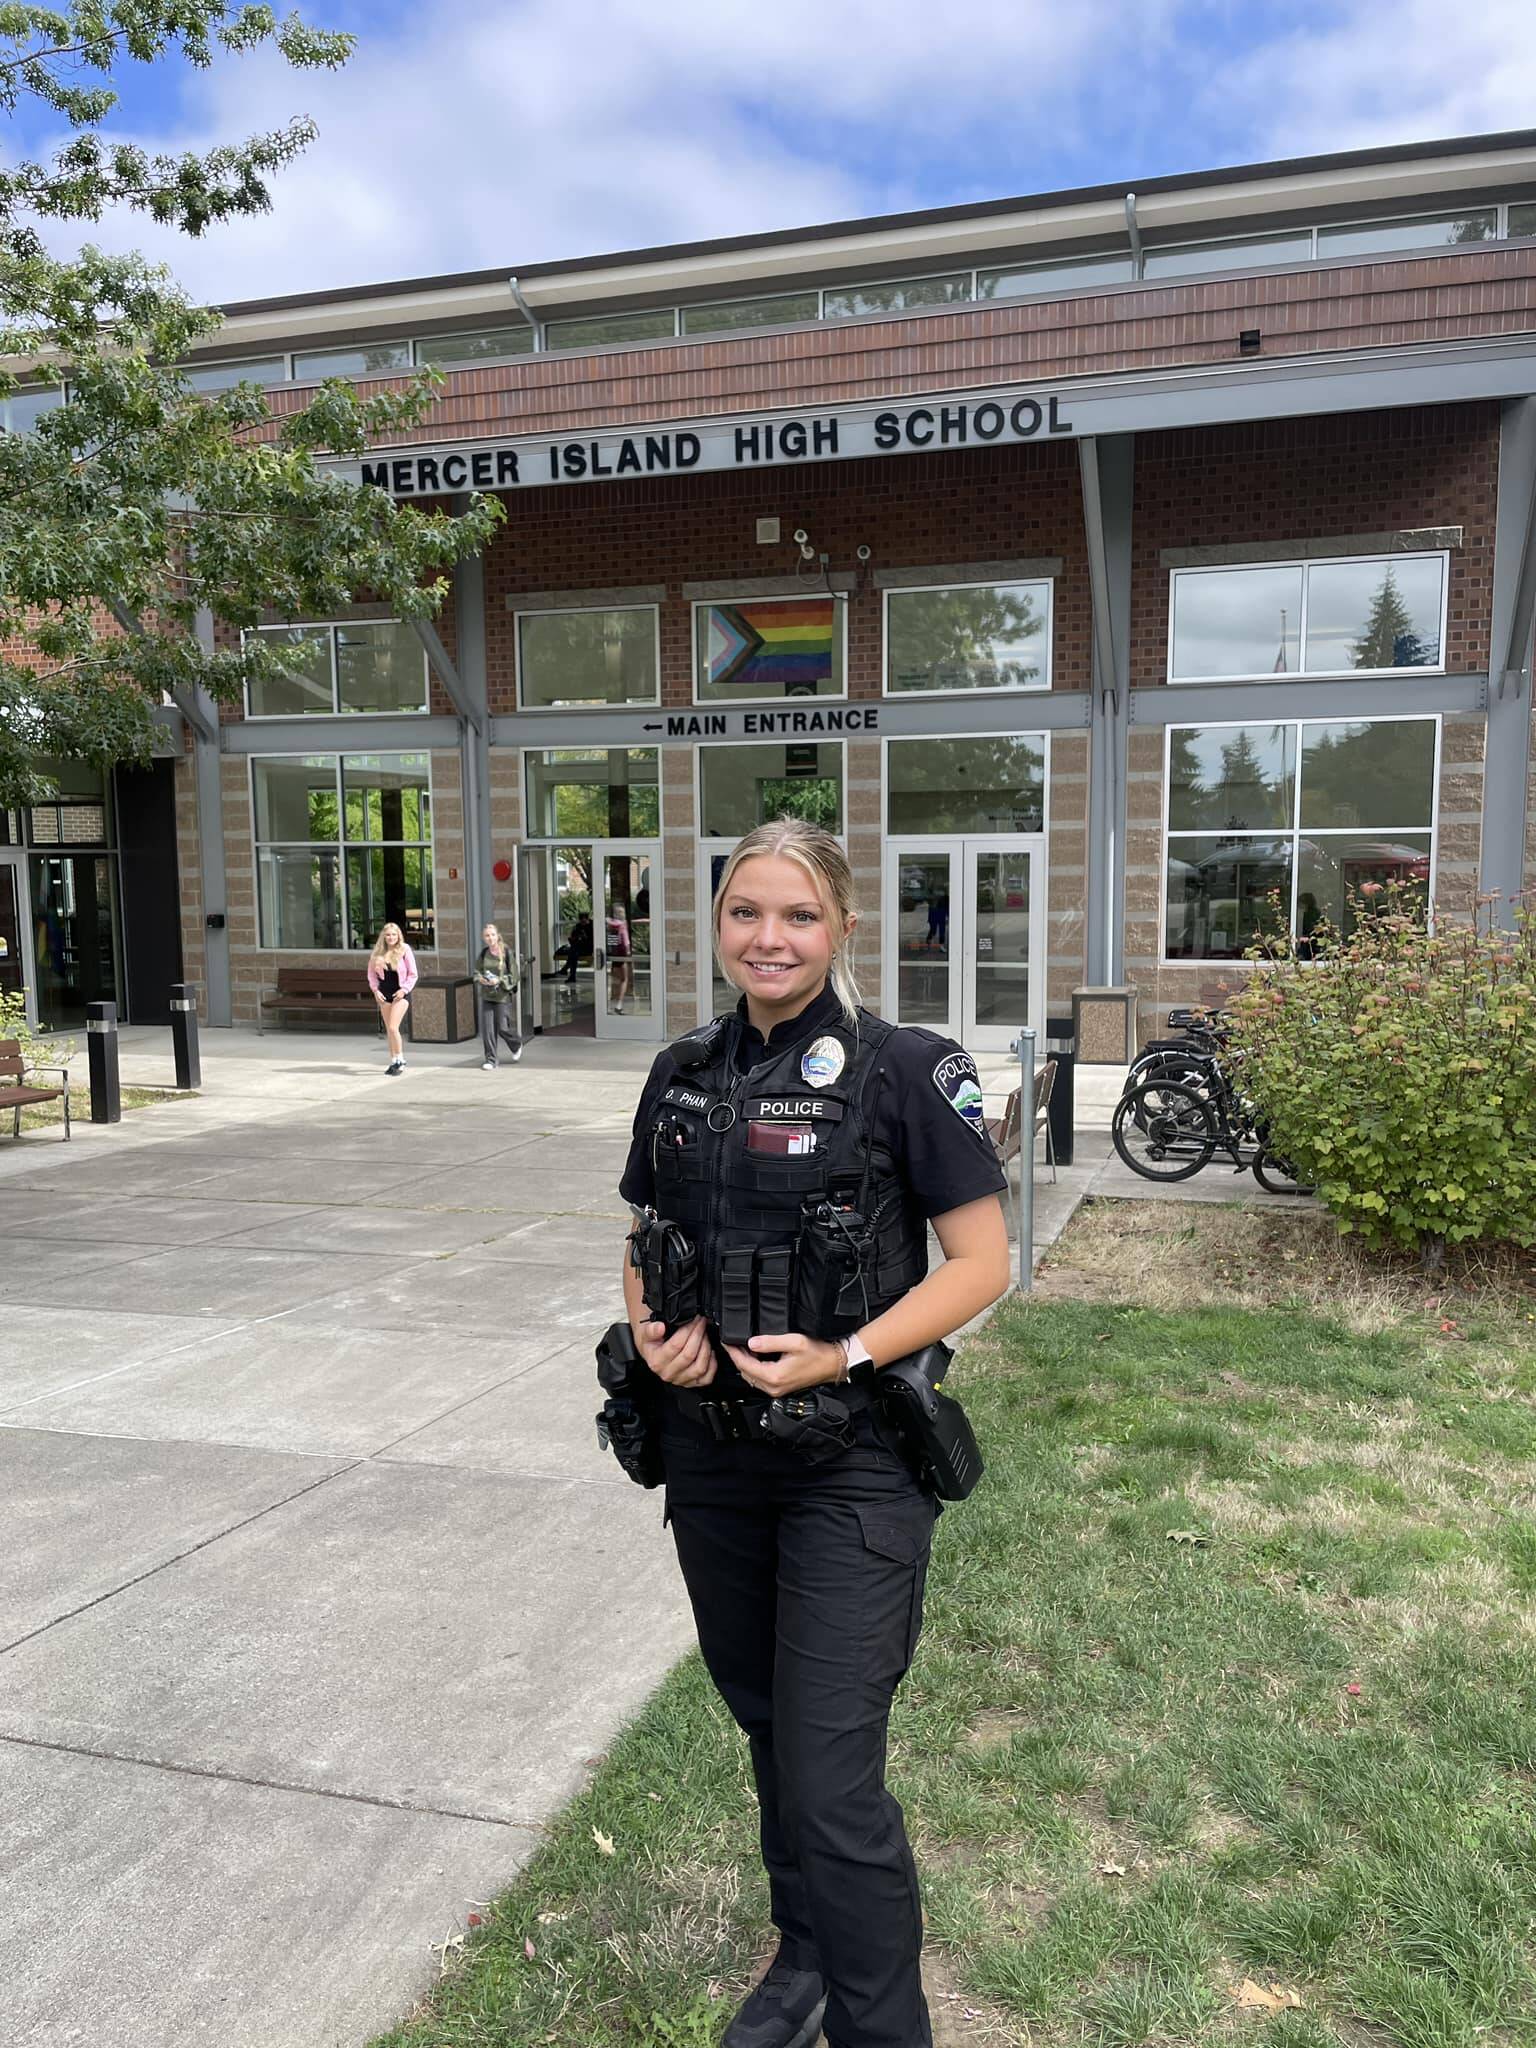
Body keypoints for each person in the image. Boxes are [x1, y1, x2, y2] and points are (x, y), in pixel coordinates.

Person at [617, 818, 1010, 2048]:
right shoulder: (681, 1069)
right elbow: (642, 1238)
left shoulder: (905, 1067)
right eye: (747, 911)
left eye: (796, 914)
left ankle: (882, 2027)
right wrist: (651, 1336)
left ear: (843, 926)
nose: (769, 936)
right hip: (715, 1459)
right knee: (768, 1725)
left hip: (853, 1465)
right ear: (719, 923)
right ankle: (802, 1958)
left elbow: (983, 1260)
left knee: (835, 1781)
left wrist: (845, 1351)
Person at [366, 922, 417, 1076]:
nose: (391, 937)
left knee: (394, 1027)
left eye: (394, 934)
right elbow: (371, 975)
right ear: (384, 936)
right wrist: (375, 991)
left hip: (400, 993)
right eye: (388, 935)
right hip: (384, 993)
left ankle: (401, 1059)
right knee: (389, 1029)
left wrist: (405, 989)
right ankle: (394, 1060)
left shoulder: (405, 950)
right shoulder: (377, 952)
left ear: (398, 936)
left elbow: (413, 974)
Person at [475, 921, 523, 1070]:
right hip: (487, 995)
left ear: (497, 936)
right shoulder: (483, 954)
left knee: (503, 1028)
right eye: (487, 935)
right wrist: (480, 978)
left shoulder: (506, 952)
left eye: (492, 935)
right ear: (484, 938)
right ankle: (491, 1060)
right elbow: (476, 972)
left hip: (502, 996)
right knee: (488, 1029)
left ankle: (516, 1044)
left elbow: (515, 975)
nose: (490, 938)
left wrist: (499, 980)